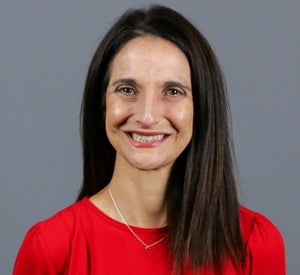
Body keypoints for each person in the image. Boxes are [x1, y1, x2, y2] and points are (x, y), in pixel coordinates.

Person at [13, 5, 285, 275]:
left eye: (173, 91)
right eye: (127, 89)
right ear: (102, 105)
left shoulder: (253, 244)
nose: (147, 115)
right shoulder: (51, 248)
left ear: (201, 109)